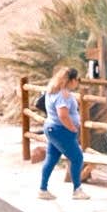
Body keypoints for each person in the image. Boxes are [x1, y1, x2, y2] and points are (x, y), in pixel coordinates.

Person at [37, 64, 89, 201]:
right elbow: (63, 115)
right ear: (71, 80)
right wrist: (72, 128)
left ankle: (43, 188)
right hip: (61, 130)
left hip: (51, 128)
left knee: (51, 158)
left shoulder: (52, 91)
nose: (78, 82)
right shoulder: (63, 95)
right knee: (77, 158)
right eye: (77, 79)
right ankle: (77, 189)